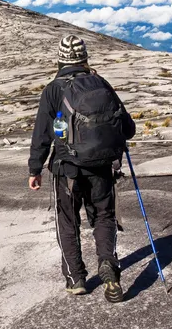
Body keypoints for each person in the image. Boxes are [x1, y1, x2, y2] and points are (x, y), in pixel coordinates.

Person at [28, 35, 136, 302]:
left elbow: (42, 134)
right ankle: (109, 268)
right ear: (85, 58)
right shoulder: (101, 83)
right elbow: (129, 129)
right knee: (104, 216)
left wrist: (35, 169)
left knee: (67, 222)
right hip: (102, 167)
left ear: (60, 59)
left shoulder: (53, 89)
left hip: (67, 169)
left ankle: (76, 278)